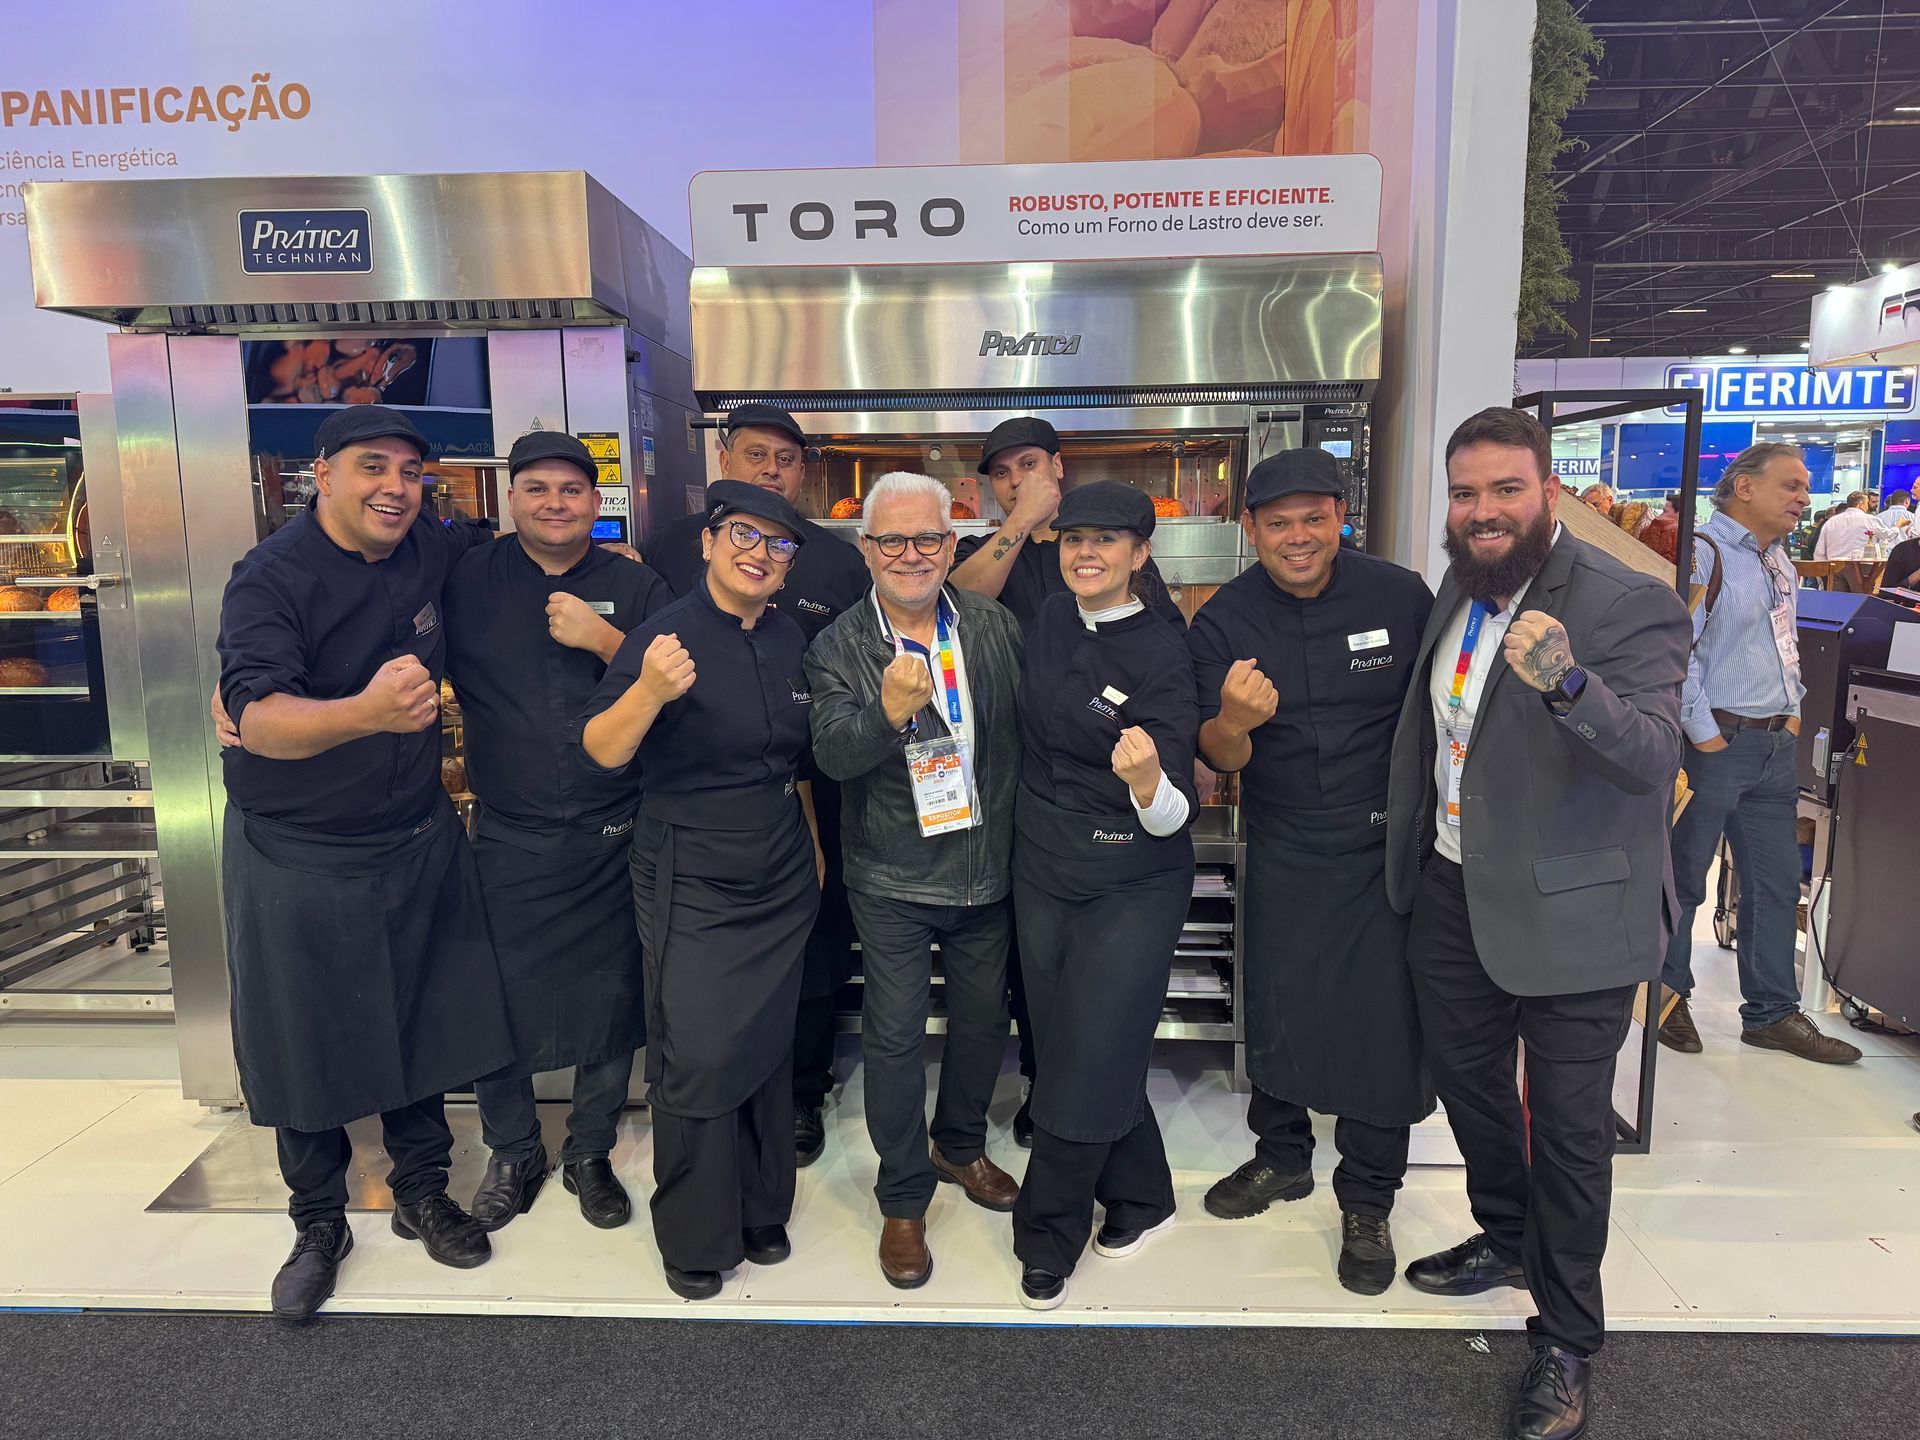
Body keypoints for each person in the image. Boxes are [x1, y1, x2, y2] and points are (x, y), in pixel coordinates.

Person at [1383, 406, 1690, 1440]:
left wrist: (1567, 682)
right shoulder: (1457, 593)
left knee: (1568, 1131)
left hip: (1575, 912)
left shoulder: (1628, 602)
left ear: (1547, 492)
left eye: (1506, 489)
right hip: (1453, 891)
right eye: (1465, 493)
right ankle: (1509, 1234)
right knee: (1467, 1087)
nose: (1484, 511)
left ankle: (1565, 1340)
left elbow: (1651, 756)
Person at [215, 404, 514, 1320]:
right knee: (301, 1035)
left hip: (413, 831)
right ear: (323, 475)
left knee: (420, 1014)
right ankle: (317, 1221)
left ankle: (421, 1190)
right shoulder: (270, 577)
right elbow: (258, 718)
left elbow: (491, 544)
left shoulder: (429, 545)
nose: (395, 487)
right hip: (297, 847)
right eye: (372, 467)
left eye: (410, 472)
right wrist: (363, 714)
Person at [1188, 450, 1434, 1296]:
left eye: (1314, 519)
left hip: (1385, 846)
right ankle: (1282, 1156)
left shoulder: (1400, 597)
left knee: (1383, 1027)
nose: (1298, 537)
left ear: (1340, 516)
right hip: (1285, 837)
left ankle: (1368, 1201)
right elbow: (1218, 756)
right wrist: (1233, 720)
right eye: (1278, 523)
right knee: (1278, 1002)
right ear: (1250, 528)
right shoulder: (1223, 620)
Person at [578, 480, 822, 1300]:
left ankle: (760, 1207)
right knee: (697, 1050)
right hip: (693, 864)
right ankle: (694, 1233)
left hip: (780, 863)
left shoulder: (789, 636)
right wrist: (649, 691)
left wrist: (813, 846)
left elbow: (796, 761)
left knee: (767, 1041)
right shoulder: (662, 636)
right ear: (710, 543)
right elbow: (601, 749)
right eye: (743, 536)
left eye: (778, 545)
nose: (760, 554)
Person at [442, 431, 675, 1234]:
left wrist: (603, 639)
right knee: (495, 996)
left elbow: (678, 687)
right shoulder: (467, 577)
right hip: (509, 829)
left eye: (571, 490)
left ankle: (589, 1151)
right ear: (511, 498)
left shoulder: (635, 586)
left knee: (611, 1000)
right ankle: (513, 1150)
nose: (555, 504)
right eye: (536, 489)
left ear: (596, 501)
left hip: (614, 830)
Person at [805, 472, 1025, 1288]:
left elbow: (1030, 730)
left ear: (951, 544)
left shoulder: (994, 626)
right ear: (866, 548)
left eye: (927, 538)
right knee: (894, 1039)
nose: (911, 554)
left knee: (982, 1023)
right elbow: (834, 756)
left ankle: (959, 1146)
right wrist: (888, 711)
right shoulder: (836, 646)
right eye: (891, 540)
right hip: (891, 875)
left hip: (988, 866)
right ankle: (902, 1198)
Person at [642, 404, 869, 1168]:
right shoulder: (667, 549)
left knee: (813, 940)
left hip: (807, 785)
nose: (772, 469)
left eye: (786, 459)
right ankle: (719, 1099)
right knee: (705, 971)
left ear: (803, 472)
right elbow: (637, 669)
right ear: (724, 459)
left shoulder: (835, 562)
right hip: (696, 797)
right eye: (756, 454)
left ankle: (801, 1090)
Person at [949, 415, 1184, 1142]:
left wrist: (1155, 777)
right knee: (1036, 978)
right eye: (1001, 473)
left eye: (1028, 466)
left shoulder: (1131, 599)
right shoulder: (1019, 575)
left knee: (1096, 1006)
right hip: (1023, 812)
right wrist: (1022, 523)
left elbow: (1159, 664)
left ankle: (1080, 1127)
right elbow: (956, 604)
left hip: (1114, 840)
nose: (1014, 480)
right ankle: (1048, 1095)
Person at [1004, 481, 1199, 1312]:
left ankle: (1046, 1232)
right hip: (1042, 861)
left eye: (1107, 540)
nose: (1086, 552)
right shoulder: (1051, 618)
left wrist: (1148, 781)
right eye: (1074, 537)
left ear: (1139, 554)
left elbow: (1176, 813)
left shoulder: (1163, 650)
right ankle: (1142, 1193)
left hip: (1132, 873)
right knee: (1074, 1044)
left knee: (1087, 1052)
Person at [1657, 443, 1862, 1066]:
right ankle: (1665, 997)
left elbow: (1783, 644)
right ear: (1744, 487)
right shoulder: (1703, 553)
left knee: (1773, 881)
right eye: (1791, 485)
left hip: (1774, 744)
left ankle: (1771, 1013)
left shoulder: (1779, 562)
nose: (1805, 497)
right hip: (1716, 741)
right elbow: (1678, 652)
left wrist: (1792, 710)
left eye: (1805, 487)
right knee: (1684, 878)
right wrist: (1705, 734)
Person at [1812, 489, 1890, 561]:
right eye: (1867, 503)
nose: (1867, 506)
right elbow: (1887, 535)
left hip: (1834, 568)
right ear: (1861, 504)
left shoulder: (1831, 521)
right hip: (1862, 568)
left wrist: (1823, 570)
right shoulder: (1870, 520)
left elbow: (1820, 552)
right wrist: (1896, 527)